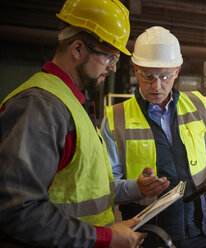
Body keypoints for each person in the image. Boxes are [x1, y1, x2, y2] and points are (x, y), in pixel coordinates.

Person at [0, 0, 146, 247]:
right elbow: (18, 211)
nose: (112, 68)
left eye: (116, 58)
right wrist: (107, 238)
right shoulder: (40, 106)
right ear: (78, 49)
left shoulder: (69, 101)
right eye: (109, 57)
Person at [100, 26, 206, 248]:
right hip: (148, 237)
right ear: (135, 69)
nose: (157, 86)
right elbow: (106, 188)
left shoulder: (199, 106)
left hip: (201, 231)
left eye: (165, 76)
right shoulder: (115, 119)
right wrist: (136, 187)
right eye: (148, 76)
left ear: (177, 71)